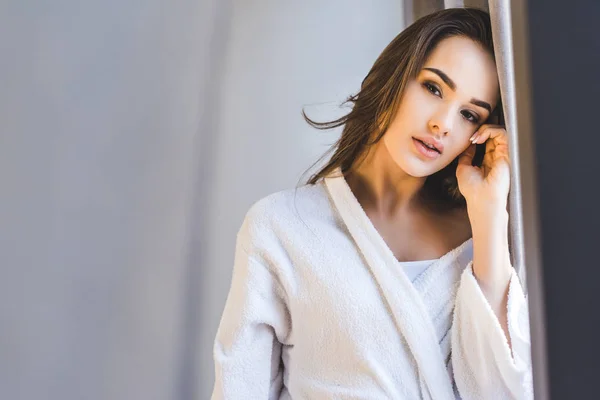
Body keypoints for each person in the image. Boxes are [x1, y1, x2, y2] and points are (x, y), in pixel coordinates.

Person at [212, 7, 532, 400]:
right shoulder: (279, 228)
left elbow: (505, 391)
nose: (444, 124)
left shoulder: (485, 238)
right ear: (393, 78)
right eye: (433, 88)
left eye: (469, 114)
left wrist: (488, 217)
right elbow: (238, 389)